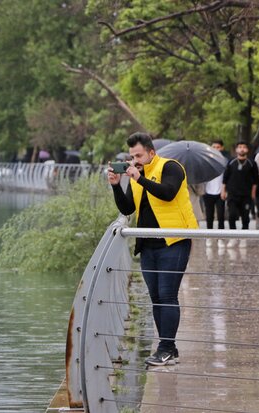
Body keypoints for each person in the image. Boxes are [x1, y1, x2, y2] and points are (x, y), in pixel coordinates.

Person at [108, 132, 197, 366]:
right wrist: (117, 186)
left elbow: (167, 194)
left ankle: (166, 348)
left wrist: (139, 178)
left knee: (168, 295)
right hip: (147, 244)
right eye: (132, 156)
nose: (135, 159)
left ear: (151, 152)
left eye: (138, 155)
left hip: (173, 240)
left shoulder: (171, 167)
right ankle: (170, 349)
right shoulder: (137, 176)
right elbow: (128, 209)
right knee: (156, 298)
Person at [221, 141, 259, 247]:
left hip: (246, 195)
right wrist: (223, 191)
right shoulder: (231, 162)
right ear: (236, 150)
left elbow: (256, 180)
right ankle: (233, 237)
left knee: (245, 217)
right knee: (232, 215)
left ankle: (243, 238)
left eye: (244, 147)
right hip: (232, 195)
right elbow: (225, 178)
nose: (242, 149)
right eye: (240, 147)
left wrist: (253, 194)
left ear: (247, 150)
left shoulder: (252, 163)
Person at [202, 140, 226, 248]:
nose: (216, 148)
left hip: (220, 192)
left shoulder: (225, 161)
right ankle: (209, 237)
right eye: (214, 146)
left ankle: (221, 237)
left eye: (218, 147)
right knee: (209, 216)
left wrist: (225, 190)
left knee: (221, 216)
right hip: (208, 192)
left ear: (222, 148)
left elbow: (227, 178)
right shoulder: (205, 160)